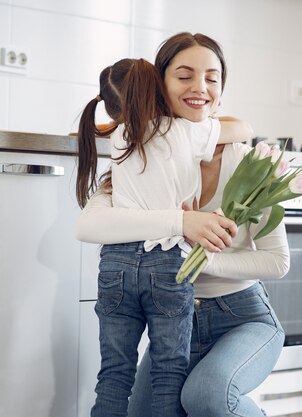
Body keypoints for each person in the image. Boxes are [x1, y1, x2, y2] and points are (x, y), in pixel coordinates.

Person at [75, 32, 289, 417]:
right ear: (159, 85)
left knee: (205, 397)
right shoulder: (142, 156)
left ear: (222, 88)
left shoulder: (252, 162)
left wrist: (197, 259)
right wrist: (183, 222)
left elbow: (277, 263)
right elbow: (90, 224)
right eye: (184, 76)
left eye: (212, 77)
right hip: (176, 320)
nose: (200, 88)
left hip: (243, 318)